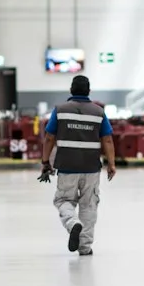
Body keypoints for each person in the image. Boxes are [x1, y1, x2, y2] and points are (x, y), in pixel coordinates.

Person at [40, 74, 116, 255]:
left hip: (67, 167)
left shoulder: (60, 110)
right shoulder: (98, 112)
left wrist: (45, 162)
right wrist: (111, 164)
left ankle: (72, 223)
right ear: (88, 91)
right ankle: (85, 247)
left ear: (70, 90)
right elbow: (107, 140)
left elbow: (50, 137)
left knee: (63, 200)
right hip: (91, 168)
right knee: (89, 205)